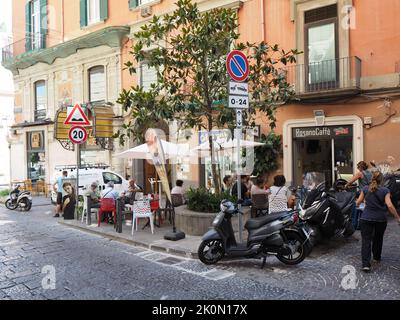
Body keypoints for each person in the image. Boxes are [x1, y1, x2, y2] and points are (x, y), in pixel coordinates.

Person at [356, 171, 400, 272]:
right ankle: (376, 257)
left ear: (372, 178)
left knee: (366, 240)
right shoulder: (385, 190)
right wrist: (397, 217)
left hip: (366, 218)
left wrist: (362, 203)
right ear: (382, 180)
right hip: (380, 219)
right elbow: (389, 205)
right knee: (378, 238)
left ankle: (366, 264)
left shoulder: (365, 188)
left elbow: (358, 202)